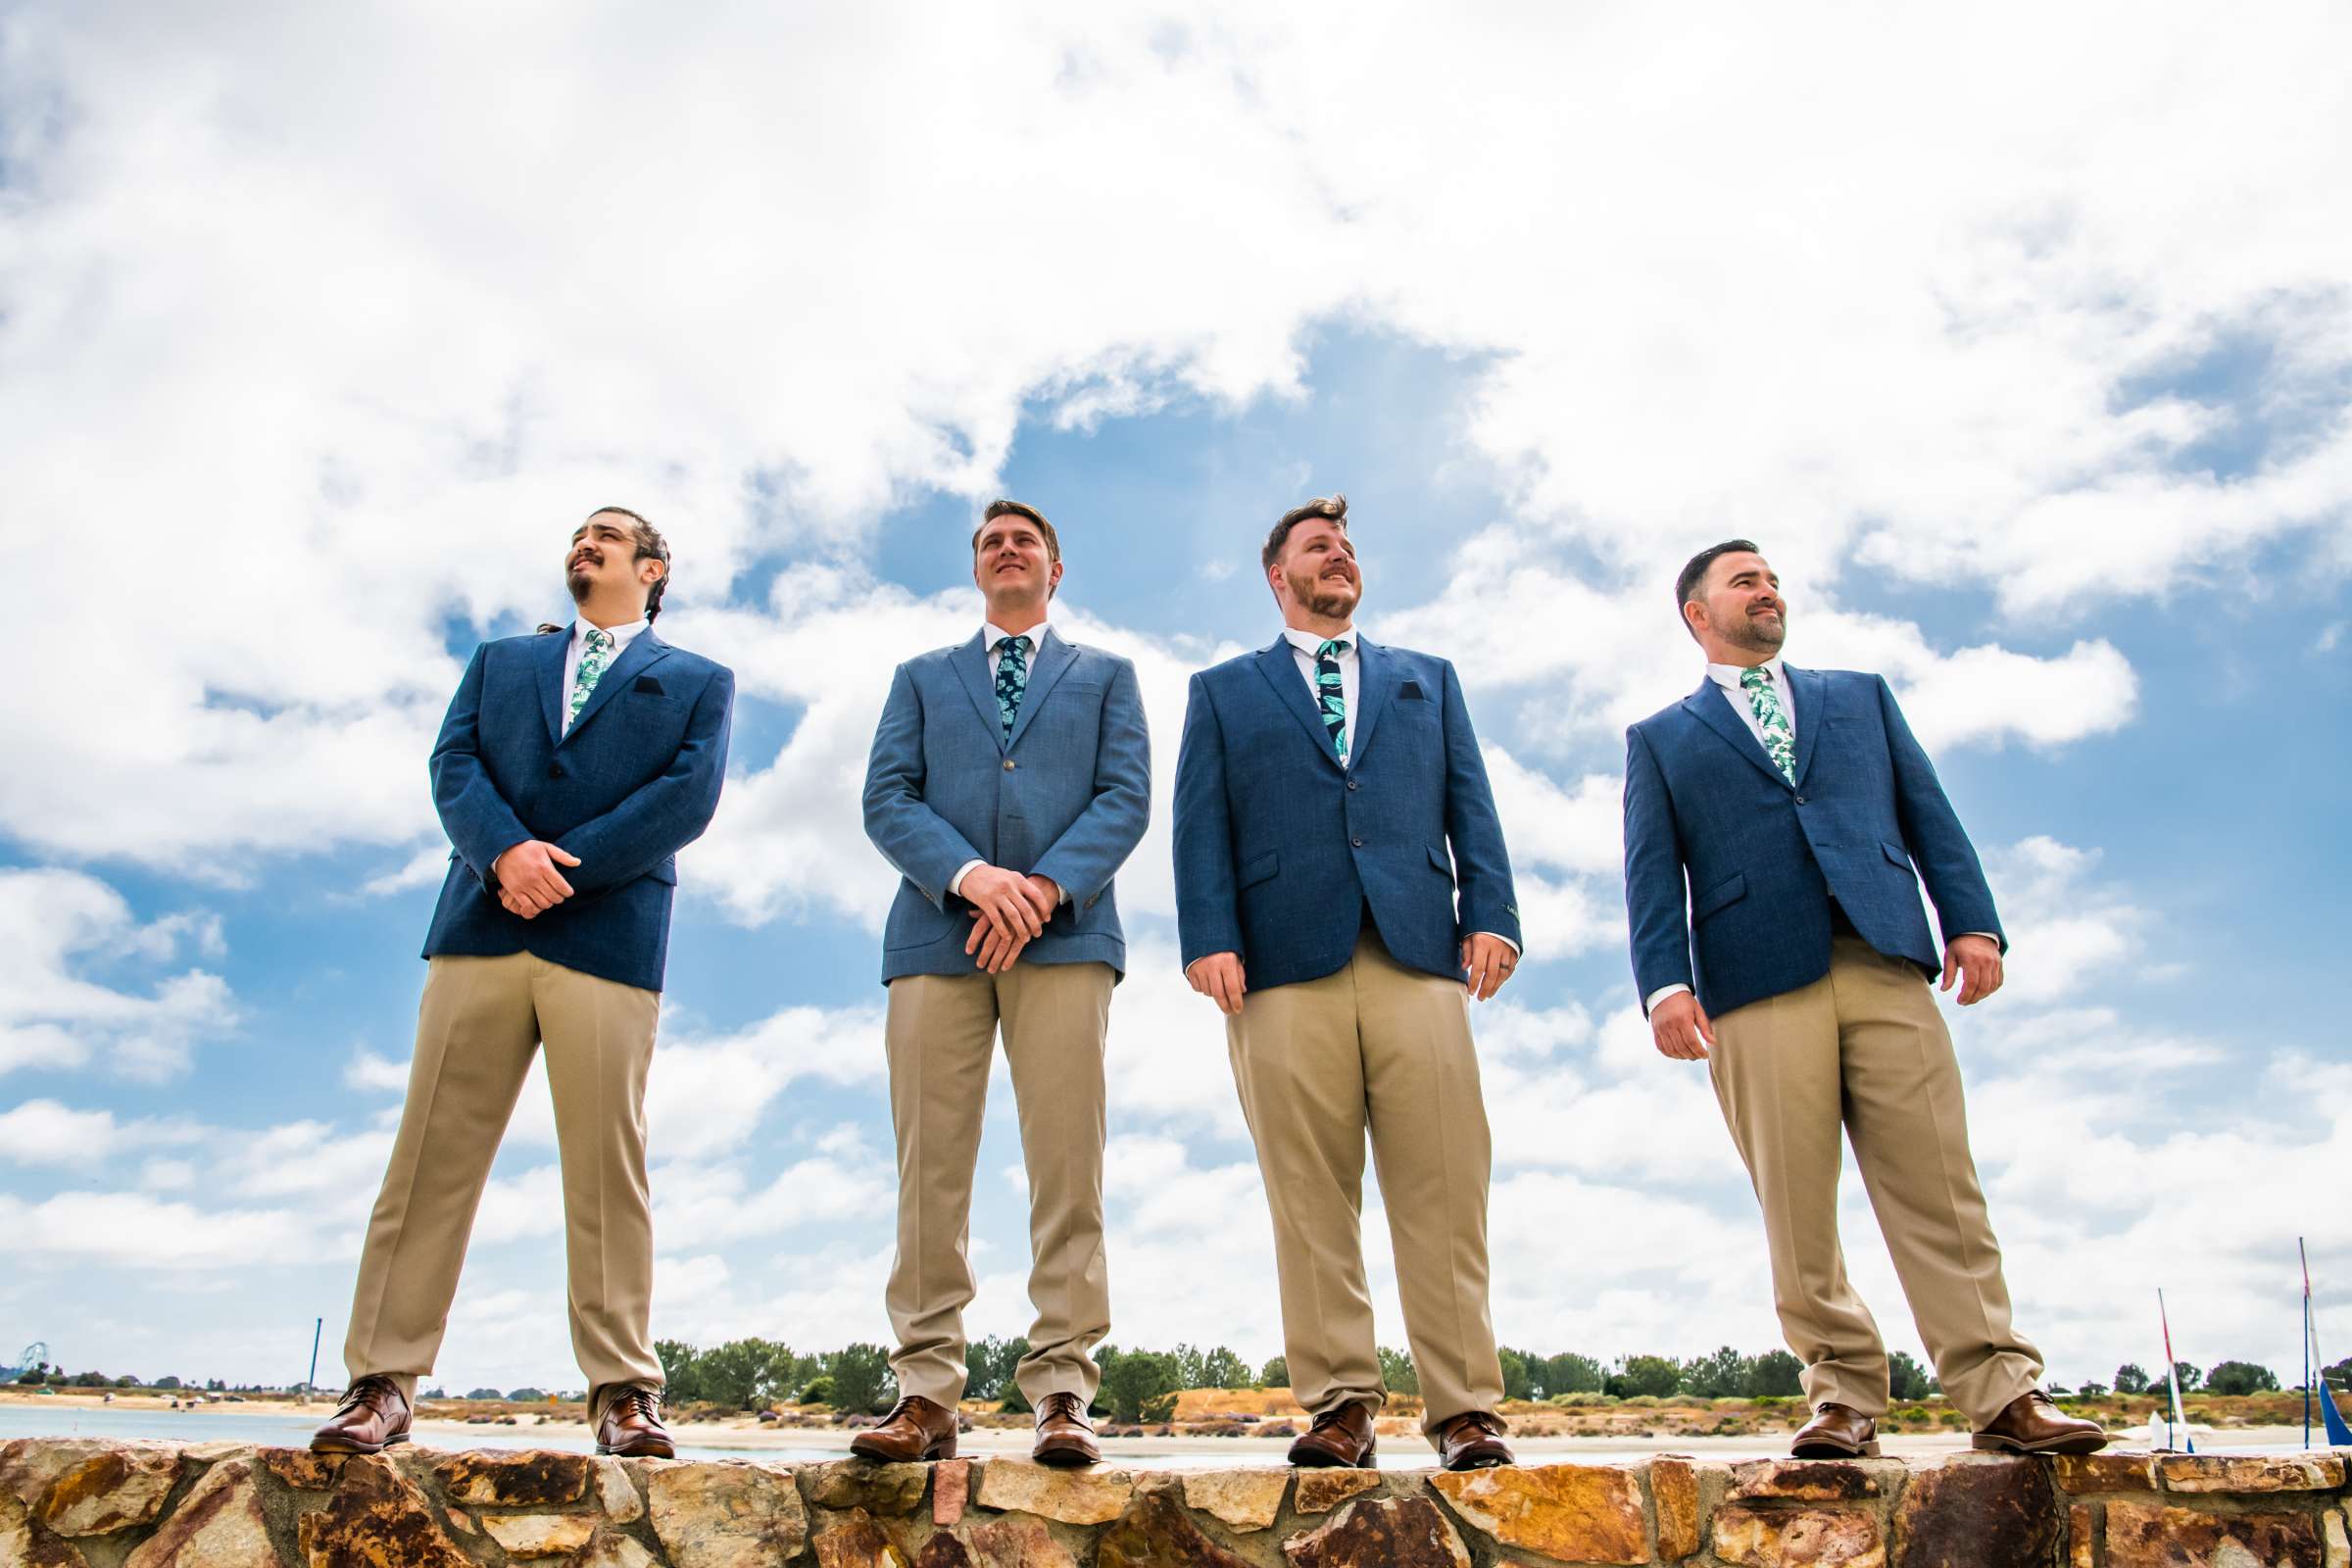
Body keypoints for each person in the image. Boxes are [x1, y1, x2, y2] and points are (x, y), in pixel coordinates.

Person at [1621, 539, 2106, 1457]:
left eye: (1771, 578)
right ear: (1697, 614)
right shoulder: (1662, 739)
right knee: (1796, 1206)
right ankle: (1842, 1397)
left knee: (1939, 1186)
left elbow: (1930, 811)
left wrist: (1973, 920)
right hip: (1754, 982)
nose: (1768, 590)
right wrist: (1666, 985)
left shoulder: (1860, 695)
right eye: (1744, 582)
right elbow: (1651, 873)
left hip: (1885, 958)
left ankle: (2002, 1391)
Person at [312, 507, 734, 1460]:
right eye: (577, 534)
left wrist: (563, 865)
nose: (583, 545)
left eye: (608, 536)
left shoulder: (703, 682)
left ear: (654, 567)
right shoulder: (500, 660)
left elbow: (687, 797)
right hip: (480, 925)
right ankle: (381, 1382)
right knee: (427, 1159)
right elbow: (453, 762)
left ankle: (624, 1392)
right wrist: (505, 853)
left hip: (610, 938)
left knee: (606, 1170)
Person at [1172, 495, 1523, 1471]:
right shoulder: (1222, 691)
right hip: (1278, 964)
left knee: (1446, 1183)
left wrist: (1492, 913)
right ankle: (1340, 1405)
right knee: (1308, 1192)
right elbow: (1199, 825)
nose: (1340, 556)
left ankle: (1464, 1410)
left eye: (1347, 546)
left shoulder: (1430, 681)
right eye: (1318, 546)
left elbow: (1472, 806)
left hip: (1420, 951)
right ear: (1278, 575)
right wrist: (1210, 934)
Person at [853, 500, 1150, 1467]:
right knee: (929, 1170)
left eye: (1025, 541)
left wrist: (1042, 887)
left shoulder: (1109, 676)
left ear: (1054, 570)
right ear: (976, 569)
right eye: (991, 542)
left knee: (1069, 1166)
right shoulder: (921, 679)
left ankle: (1063, 1387)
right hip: (936, 938)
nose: (1007, 550)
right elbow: (886, 797)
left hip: (1066, 938)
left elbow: (1126, 797)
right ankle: (926, 1391)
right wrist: (973, 878)